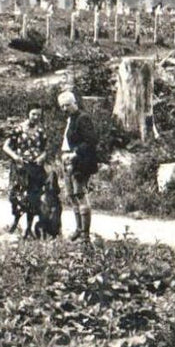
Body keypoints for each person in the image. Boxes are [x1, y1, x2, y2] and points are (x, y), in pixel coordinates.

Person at [58, 89, 101, 242]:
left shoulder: (83, 118)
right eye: (62, 106)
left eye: (67, 105)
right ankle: (79, 228)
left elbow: (91, 141)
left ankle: (85, 235)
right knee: (71, 196)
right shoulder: (70, 119)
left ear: (74, 103)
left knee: (80, 195)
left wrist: (75, 153)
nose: (65, 109)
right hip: (67, 160)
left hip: (80, 161)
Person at [3, 109, 50, 238]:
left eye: (38, 115)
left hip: (35, 168)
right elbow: (6, 147)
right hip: (20, 168)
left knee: (33, 198)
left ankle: (28, 228)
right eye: (33, 114)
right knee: (16, 196)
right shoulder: (18, 129)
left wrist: (42, 157)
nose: (35, 117)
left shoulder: (41, 131)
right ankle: (15, 221)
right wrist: (15, 157)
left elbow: (46, 150)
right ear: (28, 114)